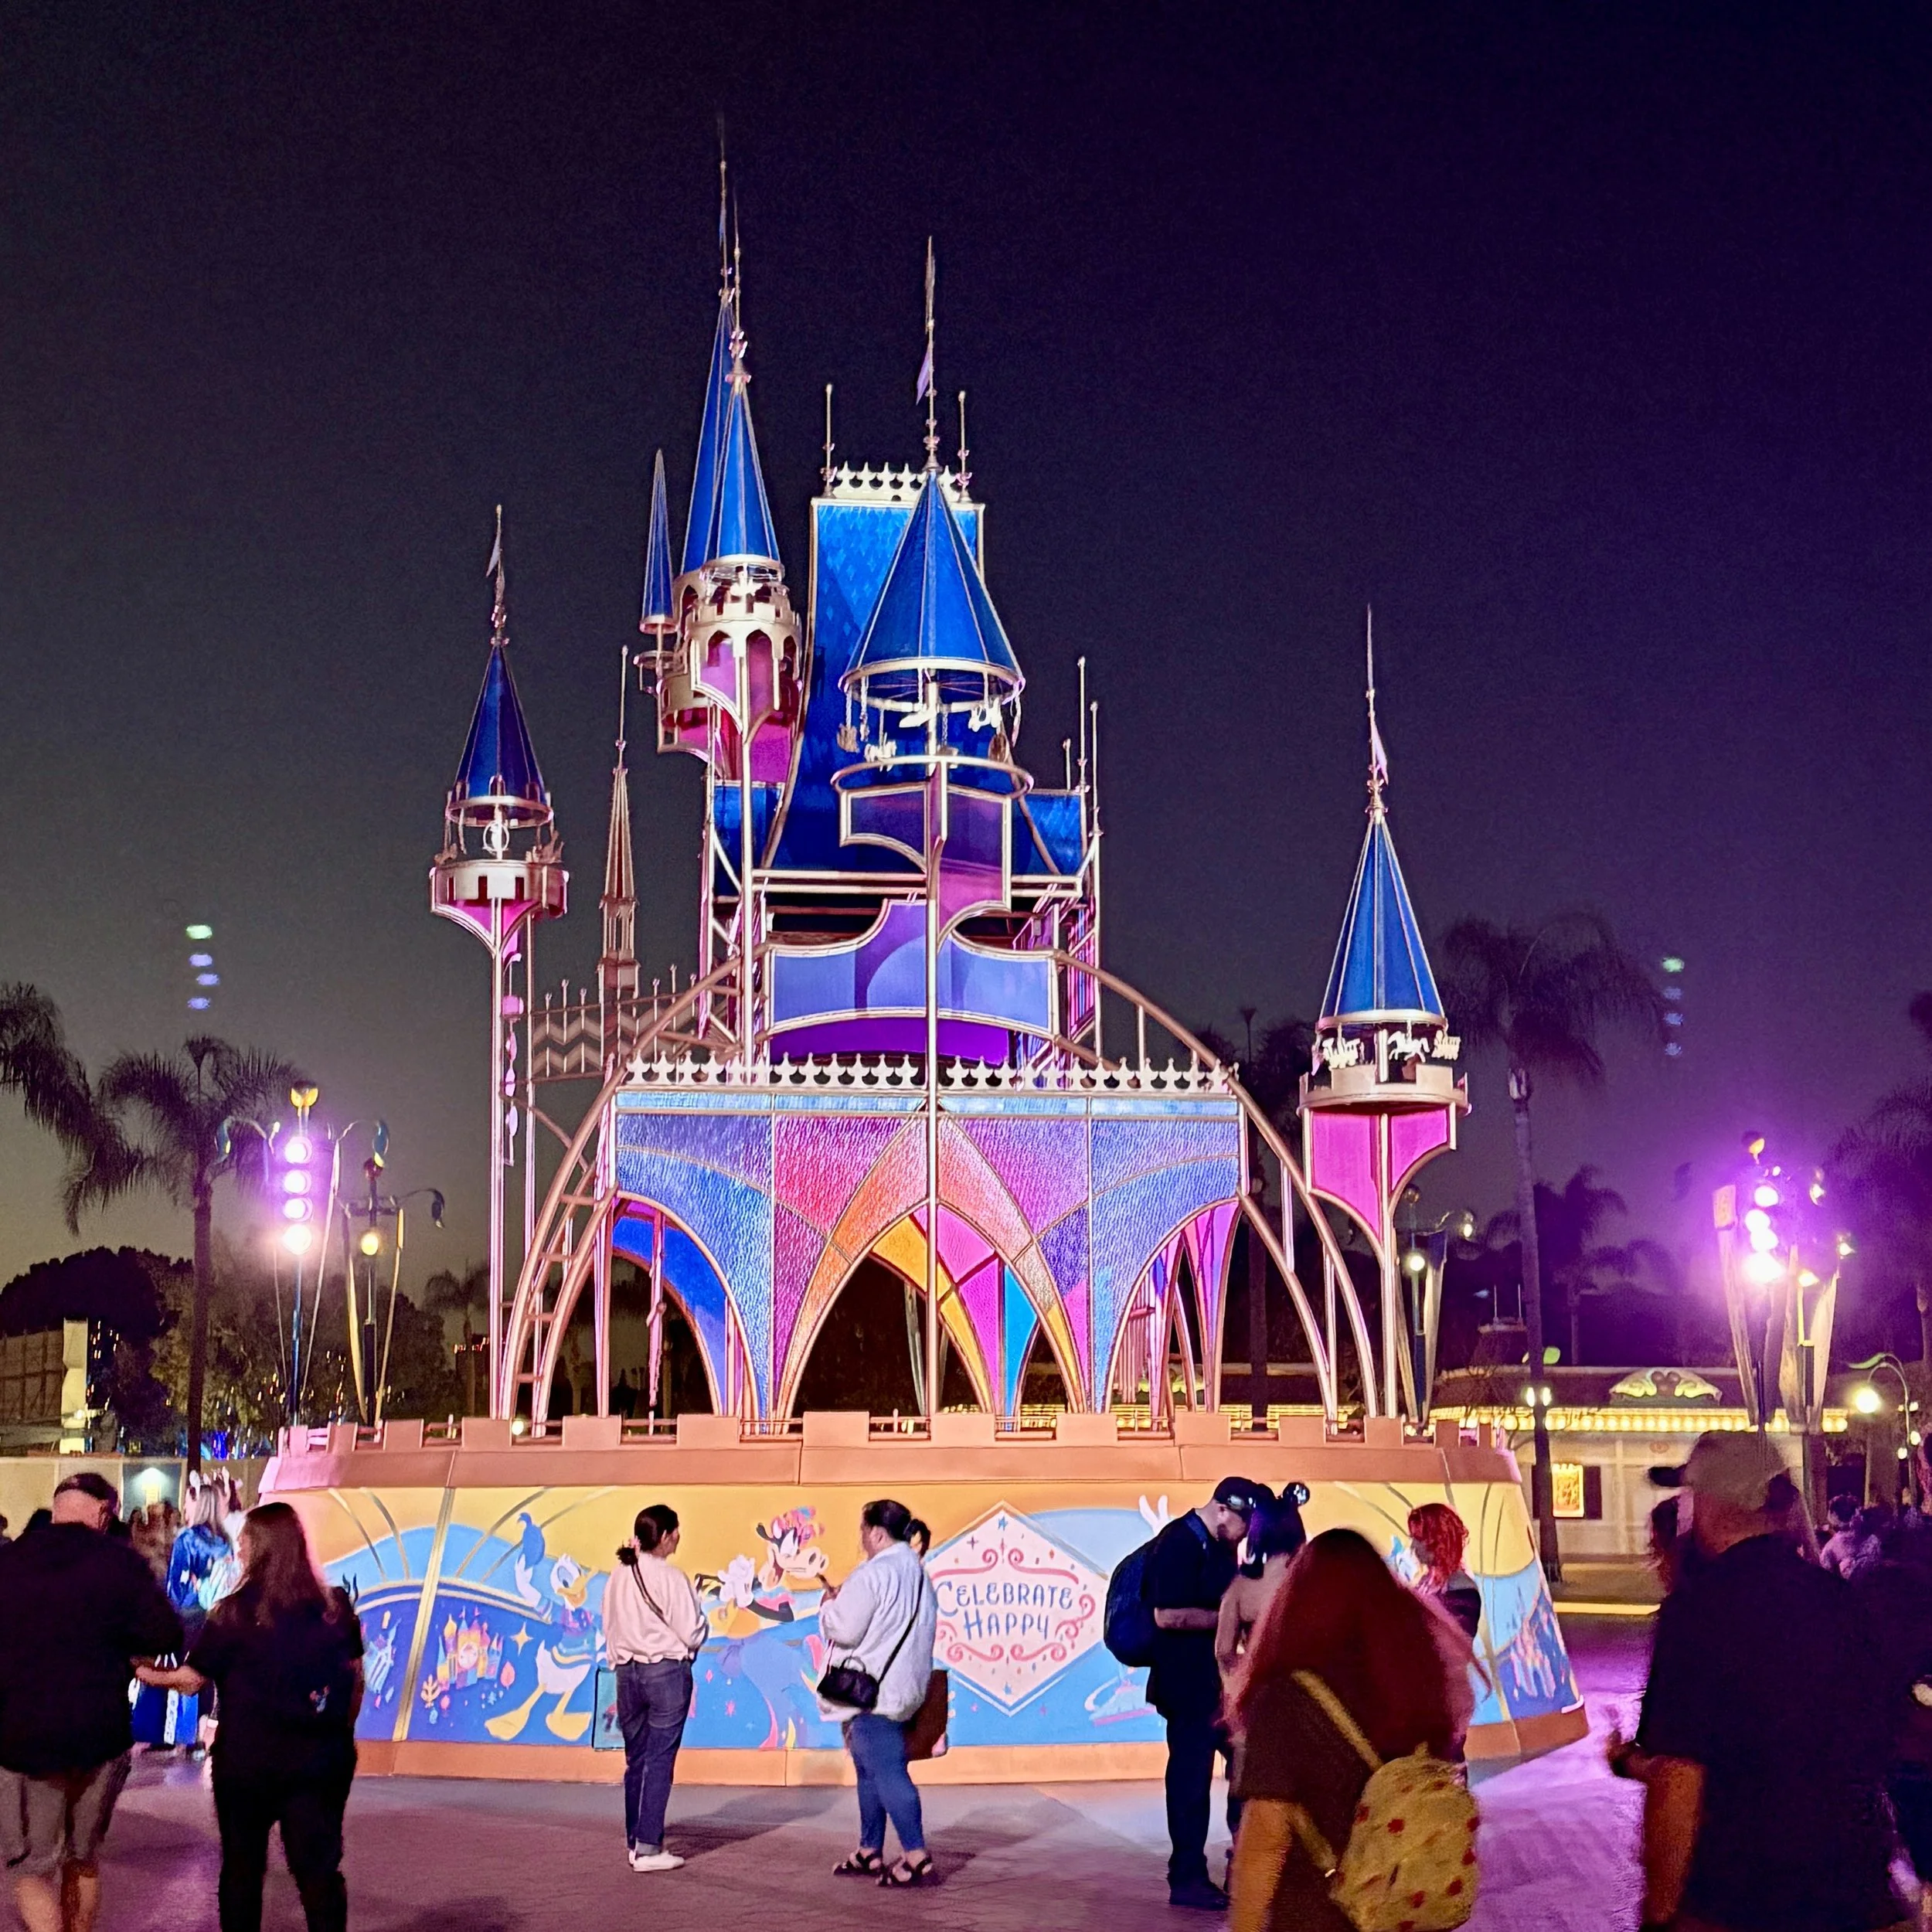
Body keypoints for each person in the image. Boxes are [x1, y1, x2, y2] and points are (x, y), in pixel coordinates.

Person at [1636, 1430, 1906, 1932]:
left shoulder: (1698, 1613)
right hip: (1850, 1889)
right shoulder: (1839, 1600)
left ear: (1711, 1502)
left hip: (1739, 1897)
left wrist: (1661, 1911)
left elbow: (1680, 1777)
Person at [1227, 1529, 1472, 1932]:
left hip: (1319, 1915)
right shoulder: (1419, 1682)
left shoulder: (1287, 1699)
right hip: (1404, 1911)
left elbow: (1266, 1837)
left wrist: (1245, 1925)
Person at [135, 1502, 362, 1932]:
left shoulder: (233, 1612)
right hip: (318, 1760)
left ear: (264, 1546)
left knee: (242, 1868)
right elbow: (355, 1678)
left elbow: (192, 1680)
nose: (237, 1547)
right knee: (318, 1873)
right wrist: (338, 1733)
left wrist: (144, 1673)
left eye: (245, 1539)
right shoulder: (333, 1608)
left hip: (247, 1762)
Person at [0, 1471, 183, 1932]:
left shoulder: (11, 1561)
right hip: (102, 1736)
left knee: (32, 1868)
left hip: (25, 1740)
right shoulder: (121, 1564)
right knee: (83, 1859)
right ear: (104, 1513)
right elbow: (166, 1634)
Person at [1145, 1476, 1265, 1910]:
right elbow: (1167, 1616)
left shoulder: (1219, 1545)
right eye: (1244, 1524)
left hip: (1219, 1689)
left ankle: (1243, 1866)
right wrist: (1230, 1617)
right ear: (1223, 1509)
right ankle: (1187, 1878)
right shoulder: (1178, 1543)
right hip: (1187, 1689)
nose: (1245, 1536)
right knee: (1190, 1785)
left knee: (1247, 1771)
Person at [819, 1498, 939, 1888]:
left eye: (863, 1531)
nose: (861, 1539)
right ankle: (869, 1850)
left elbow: (845, 1629)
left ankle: (916, 1856)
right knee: (869, 1767)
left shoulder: (873, 1573)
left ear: (875, 1533)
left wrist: (828, 1608)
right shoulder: (919, 1575)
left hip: (873, 1691)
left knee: (887, 1770)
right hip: (906, 1688)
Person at [601, 1503, 707, 1872]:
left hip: (626, 1674)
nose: (678, 1537)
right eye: (675, 1532)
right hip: (665, 1673)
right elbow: (692, 1631)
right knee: (660, 1758)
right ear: (663, 1536)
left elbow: (608, 1623)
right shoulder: (672, 1577)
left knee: (637, 1759)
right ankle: (648, 1849)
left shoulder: (619, 1575)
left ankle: (636, 1839)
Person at [1216, 1492, 1307, 1685]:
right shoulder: (1312, 1580)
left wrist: (1243, 1682)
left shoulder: (1240, 1587)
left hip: (1260, 1688)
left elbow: (1223, 1653)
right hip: (1306, 1687)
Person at [1407, 1501, 1483, 1642]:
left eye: (1418, 1539)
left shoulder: (1462, 1590)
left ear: (1437, 1540)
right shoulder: (1425, 1582)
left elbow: (1453, 1644)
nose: (1413, 1546)